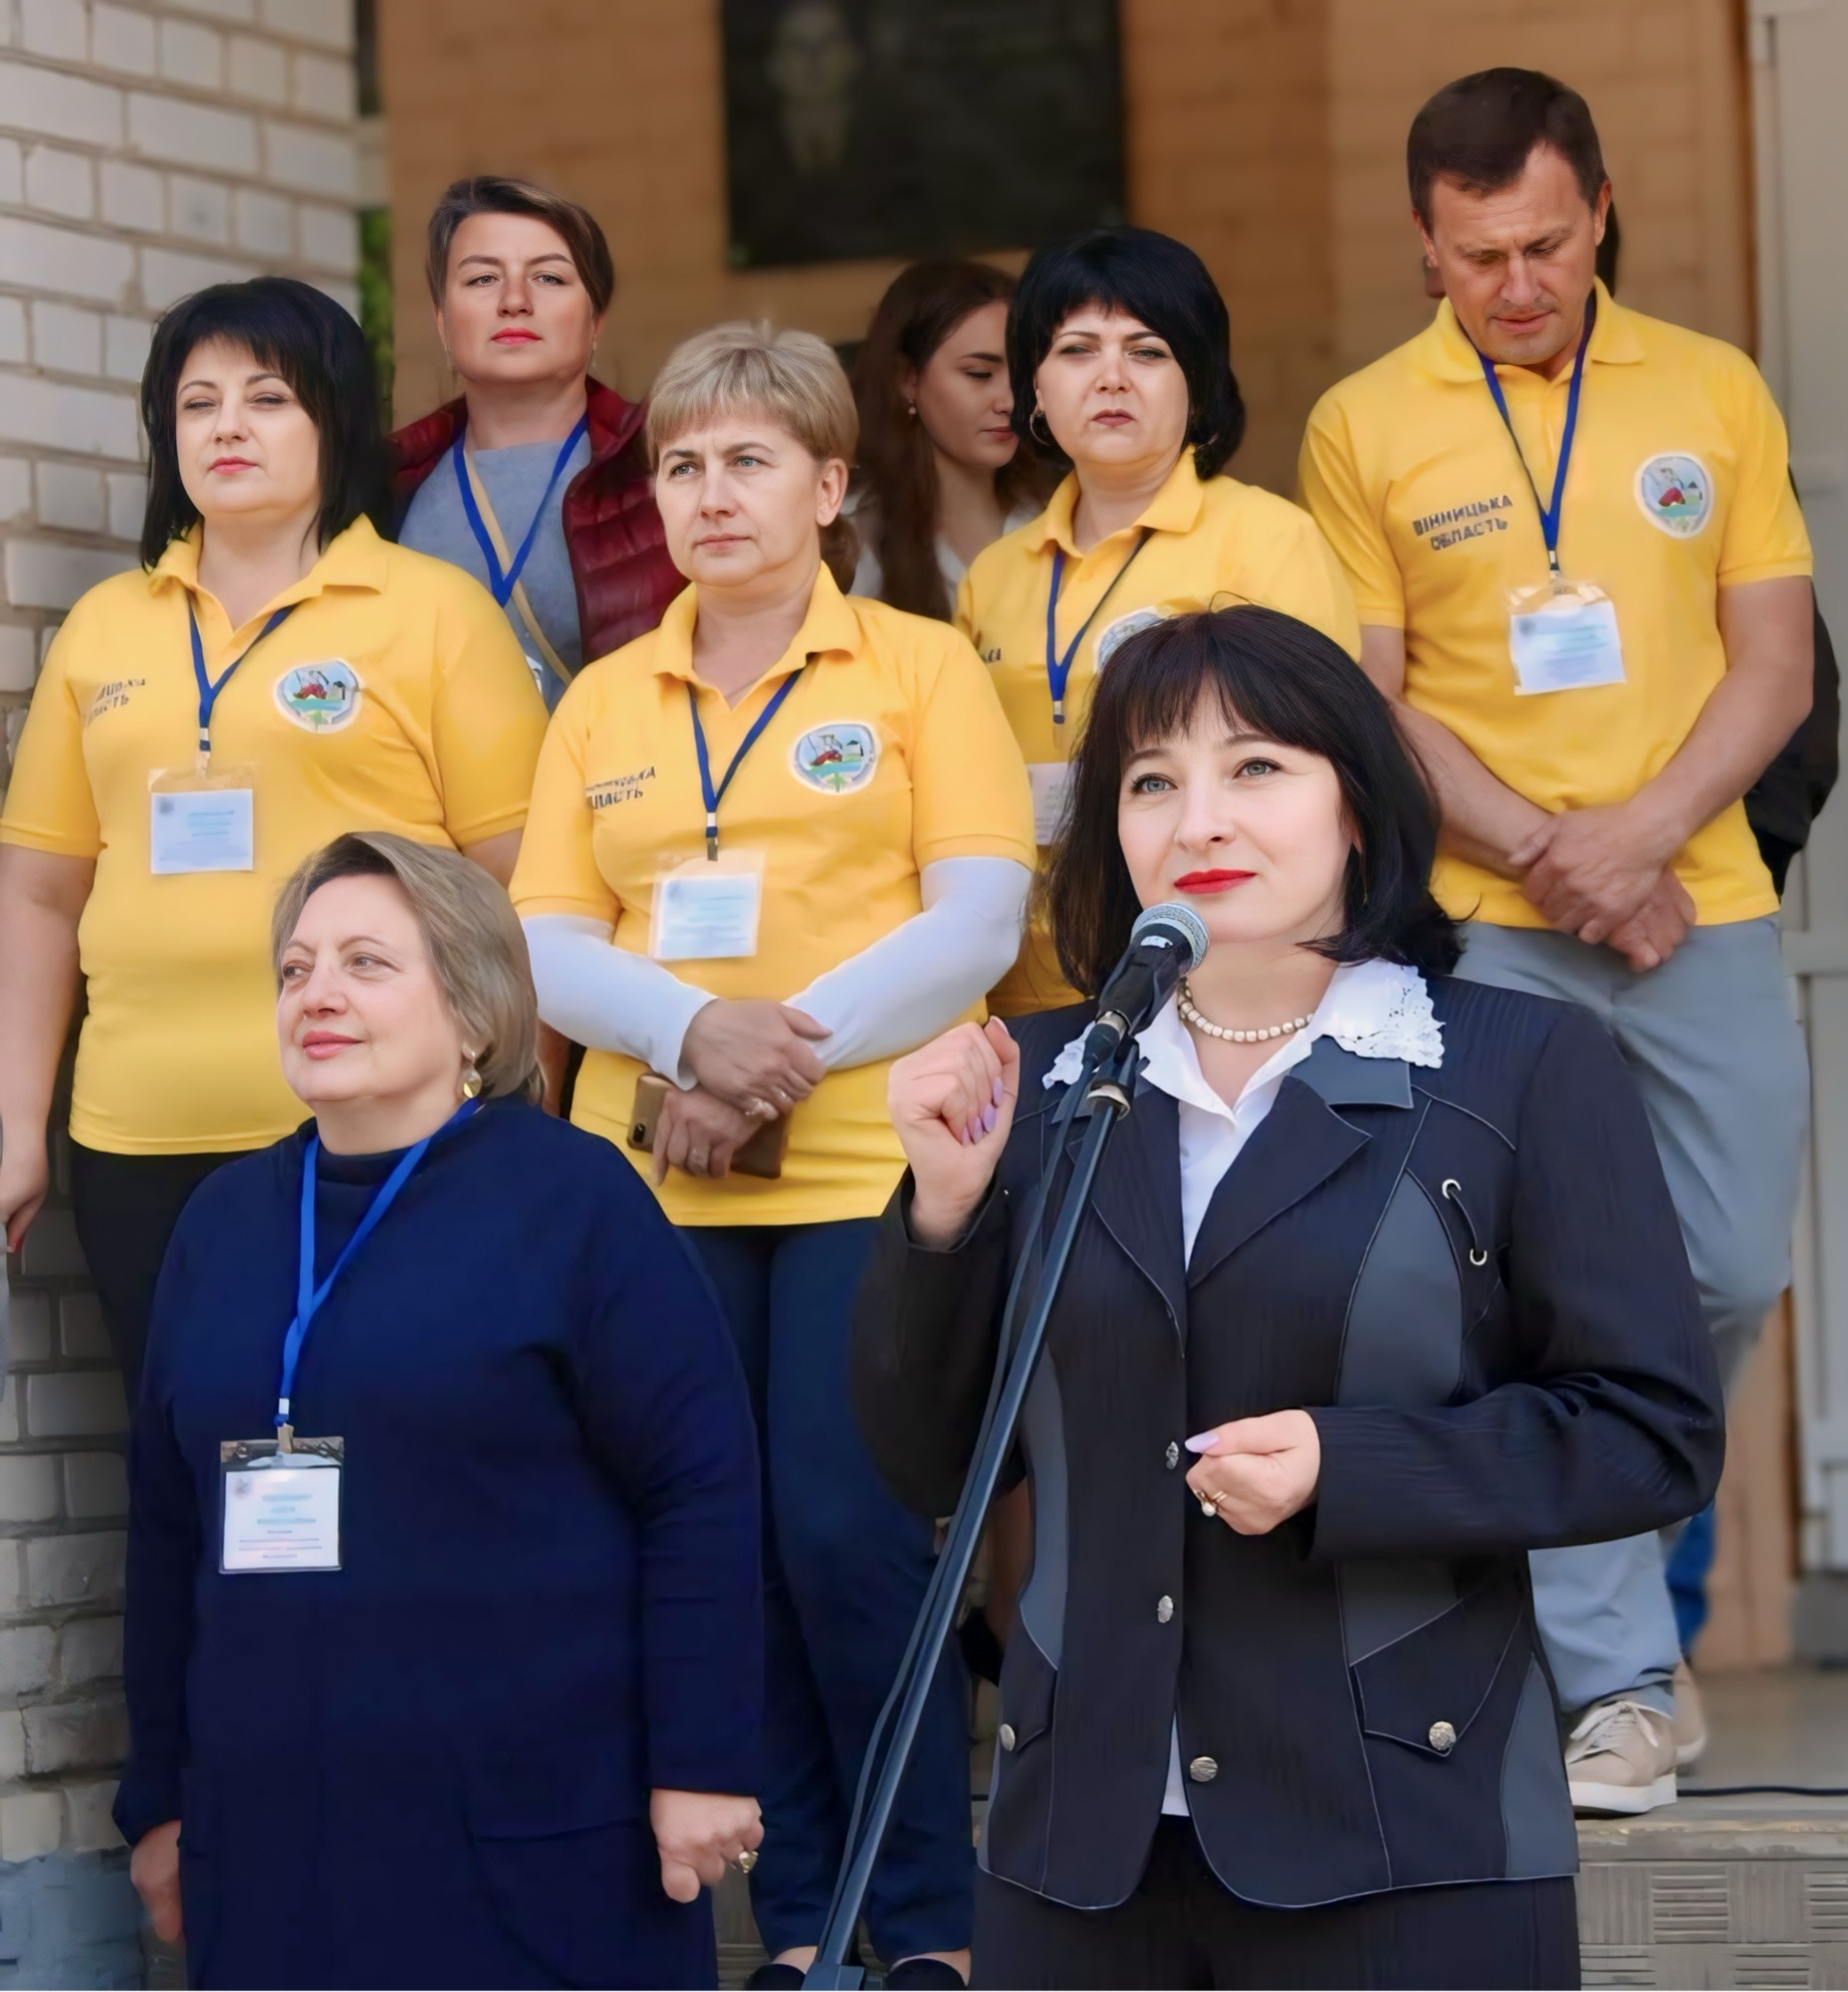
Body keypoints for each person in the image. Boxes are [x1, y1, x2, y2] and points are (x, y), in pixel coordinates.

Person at [849, 606, 1723, 1989]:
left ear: (1355, 805)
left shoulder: (1515, 1065)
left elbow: (1648, 1431)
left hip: (1408, 1832)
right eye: (1150, 780)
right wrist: (943, 1217)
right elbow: (925, 1464)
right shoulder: (1037, 1079)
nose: (1199, 816)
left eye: (1255, 766)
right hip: (1077, 1847)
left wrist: (1345, 1465)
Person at [1299, 69, 1817, 1815]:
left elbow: (1773, 666)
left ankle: (1623, 1602)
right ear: (1423, 246)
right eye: (1476, 257)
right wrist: (1547, 850)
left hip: (1699, 901)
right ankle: (1615, 1685)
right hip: (1494, 923)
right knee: (1543, 1292)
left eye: (1542, 245)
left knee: (1727, 1271)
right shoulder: (1364, 424)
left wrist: (1640, 839)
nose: (1515, 286)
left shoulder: (1711, 387)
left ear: (1598, 210)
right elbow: (1372, 704)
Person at [509, 321, 1037, 1990]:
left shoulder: (918, 668)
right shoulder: (602, 698)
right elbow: (540, 936)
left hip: (861, 1165)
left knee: (847, 1534)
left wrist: (756, 1056)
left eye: (749, 460)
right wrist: (689, 1037)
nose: (710, 493)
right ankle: (804, 1924)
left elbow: (977, 919)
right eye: (680, 464)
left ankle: (930, 1923)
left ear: (827, 486)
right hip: (653, 1178)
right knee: (714, 1542)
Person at [117, 831, 762, 1987]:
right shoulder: (220, 1222)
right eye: (297, 968)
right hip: (273, 1845)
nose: (317, 993)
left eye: (365, 963)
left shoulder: (572, 1200)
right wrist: (158, 1799)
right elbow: (166, 1530)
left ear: (473, 1011)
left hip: (530, 1840)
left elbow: (699, 1486)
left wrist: (701, 1759)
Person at [0, 277, 548, 1394]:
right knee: (177, 1449)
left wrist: (513, 1107)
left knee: (373, 1440)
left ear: (333, 420)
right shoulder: (103, 626)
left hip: (379, 1129)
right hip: (135, 1131)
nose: (227, 428)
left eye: (266, 398)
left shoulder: (434, 612)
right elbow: (40, 893)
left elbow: (525, 884)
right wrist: (17, 1123)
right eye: (197, 404)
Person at [956, 225, 1361, 1016]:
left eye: (1146, 351)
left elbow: (1325, 770)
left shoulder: (1269, 540)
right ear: (1034, 388)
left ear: (1197, 383)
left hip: (1210, 970)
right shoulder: (993, 574)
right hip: (1020, 978)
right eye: (1076, 350)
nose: (1111, 378)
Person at [391, 174, 683, 699]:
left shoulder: (672, 470)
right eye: (482, 279)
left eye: (548, 277)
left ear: (596, 320)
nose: (514, 301)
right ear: (441, 322)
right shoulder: (382, 486)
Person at [849, 258, 1049, 615]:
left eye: (1023, 374)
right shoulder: (847, 539)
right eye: (979, 373)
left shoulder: (1057, 516)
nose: (1010, 401)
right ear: (907, 379)